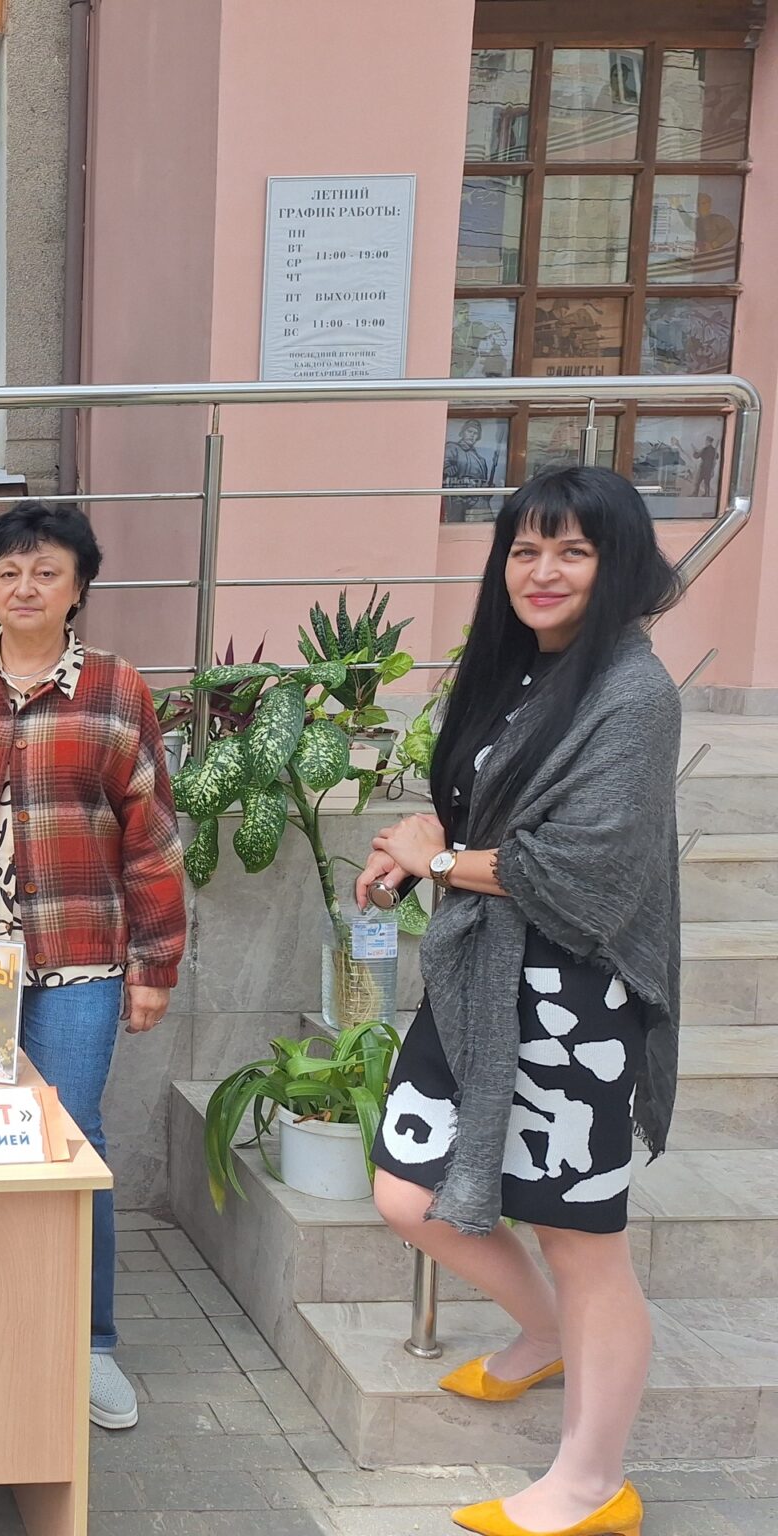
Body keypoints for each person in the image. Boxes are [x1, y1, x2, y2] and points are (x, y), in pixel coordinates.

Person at [356, 467, 682, 1536]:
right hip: (478, 976)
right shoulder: (520, 670)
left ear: (615, 564)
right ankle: (544, 1337)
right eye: (524, 550)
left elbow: (587, 877)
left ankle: (593, 1485)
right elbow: (485, 816)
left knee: (580, 1241)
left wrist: (441, 860)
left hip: (575, 999)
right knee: (407, 1194)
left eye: (571, 551)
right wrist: (418, 852)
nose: (541, 572)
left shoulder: (633, 693)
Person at [0, 499, 187, 1433]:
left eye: (45, 572)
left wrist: (154, 964)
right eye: (8, 571)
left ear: (78, 588)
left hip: (77, 958)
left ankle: (88, 1342)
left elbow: (151, 838)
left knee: (69, 1137)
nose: (24, 587)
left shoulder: (116, 690)